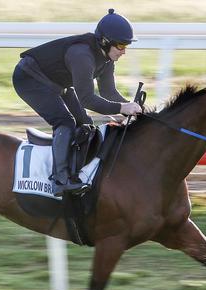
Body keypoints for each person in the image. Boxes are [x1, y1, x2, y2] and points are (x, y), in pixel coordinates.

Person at [12, 8, 143, 197]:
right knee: (65, 122)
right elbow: (87, 98)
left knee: (85, 122)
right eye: (121, 46)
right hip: (29, 78)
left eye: (126, 46)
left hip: (55, 82)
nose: (124, 52)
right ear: (105, 42)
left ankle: (76, 174)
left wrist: (131, 108)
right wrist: (122, 108)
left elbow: (108, 92)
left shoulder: (107, 59)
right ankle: (60, 180)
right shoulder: (82, 55)